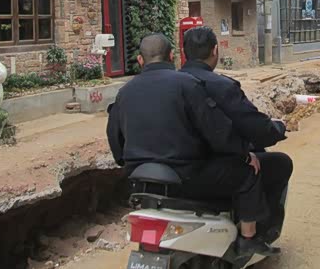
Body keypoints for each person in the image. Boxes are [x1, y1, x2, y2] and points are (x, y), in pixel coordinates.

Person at [106, 33, 278, 256]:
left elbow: (115, 141)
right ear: (172, 56)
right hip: (187, 178)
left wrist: (129, 162)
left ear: (140, 60)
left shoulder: (124, 92)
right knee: (248, 173)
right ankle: (248, 239)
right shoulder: (187, 84)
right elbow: (217, 130)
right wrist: (244, 154)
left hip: (141, 182)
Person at [181, 26, 293, 242]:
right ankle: (255, 234)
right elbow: (249, 125)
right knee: (279, 163)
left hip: (171, 168)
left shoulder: (172, 83)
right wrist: (277, 129)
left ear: (183, 52)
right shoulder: (220, 86)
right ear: (215, 50)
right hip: (207, 167)